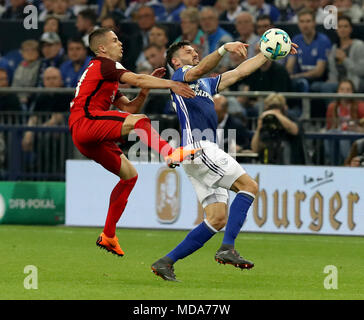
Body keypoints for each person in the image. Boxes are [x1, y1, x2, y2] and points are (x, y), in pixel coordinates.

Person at [151, 40, 298, 281]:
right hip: (200, 148)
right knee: (249, 186)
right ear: (176, 61)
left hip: (195, 155)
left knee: (217, 218)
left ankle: (165, 262)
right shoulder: (181, 75)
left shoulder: (205, 84)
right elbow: (198, 70)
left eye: (195, 50)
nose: (194, 52)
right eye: (188, 51)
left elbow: (239, 72)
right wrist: (222, 49)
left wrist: (268, 53)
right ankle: (227, 248)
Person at [68, 27, 199, 257]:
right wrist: (172, 84)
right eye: (115, 40)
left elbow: (129, 108)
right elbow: (136, 78)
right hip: (86, 122)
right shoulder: (105, 64)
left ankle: (108, 235)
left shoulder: (104, 73)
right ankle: (169, 152)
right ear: (102, 48)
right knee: (140, 121)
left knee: (129, 175)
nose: (120, 44)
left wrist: (145, 90)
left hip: (86, 135)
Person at [250, 93, 305, 164]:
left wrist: (277, 114)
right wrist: (258, 128)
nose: (272, 112)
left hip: (290, 164)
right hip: (268, 164)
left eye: (277, 107)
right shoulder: (266, 121)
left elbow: (295, 131)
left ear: (284, 108)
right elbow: (255, 149)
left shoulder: (290, 118)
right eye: (271, 108)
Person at [325, 16, 364, 94]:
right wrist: (331, 81)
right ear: (336, 30)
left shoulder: (359, 45)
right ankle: (334, 106)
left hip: (353, 81)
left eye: (346, 26)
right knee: (319, 86)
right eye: (340, 26)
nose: (342, 29)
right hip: (337, 83)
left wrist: (345, 59)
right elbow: (332, 71)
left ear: (351, 29)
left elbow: (361, 71)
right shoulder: (334, 48)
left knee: (327, 88)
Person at [12, 40, 41, 109]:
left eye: (33, 50)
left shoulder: (41, 66)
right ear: (22, 53)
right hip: (17, 98)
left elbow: (35, 84)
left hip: (33, 98)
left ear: (38, 52)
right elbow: (15, 84)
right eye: (26, 50)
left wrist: (25, 97)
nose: (30, 52)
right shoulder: (19, 66)